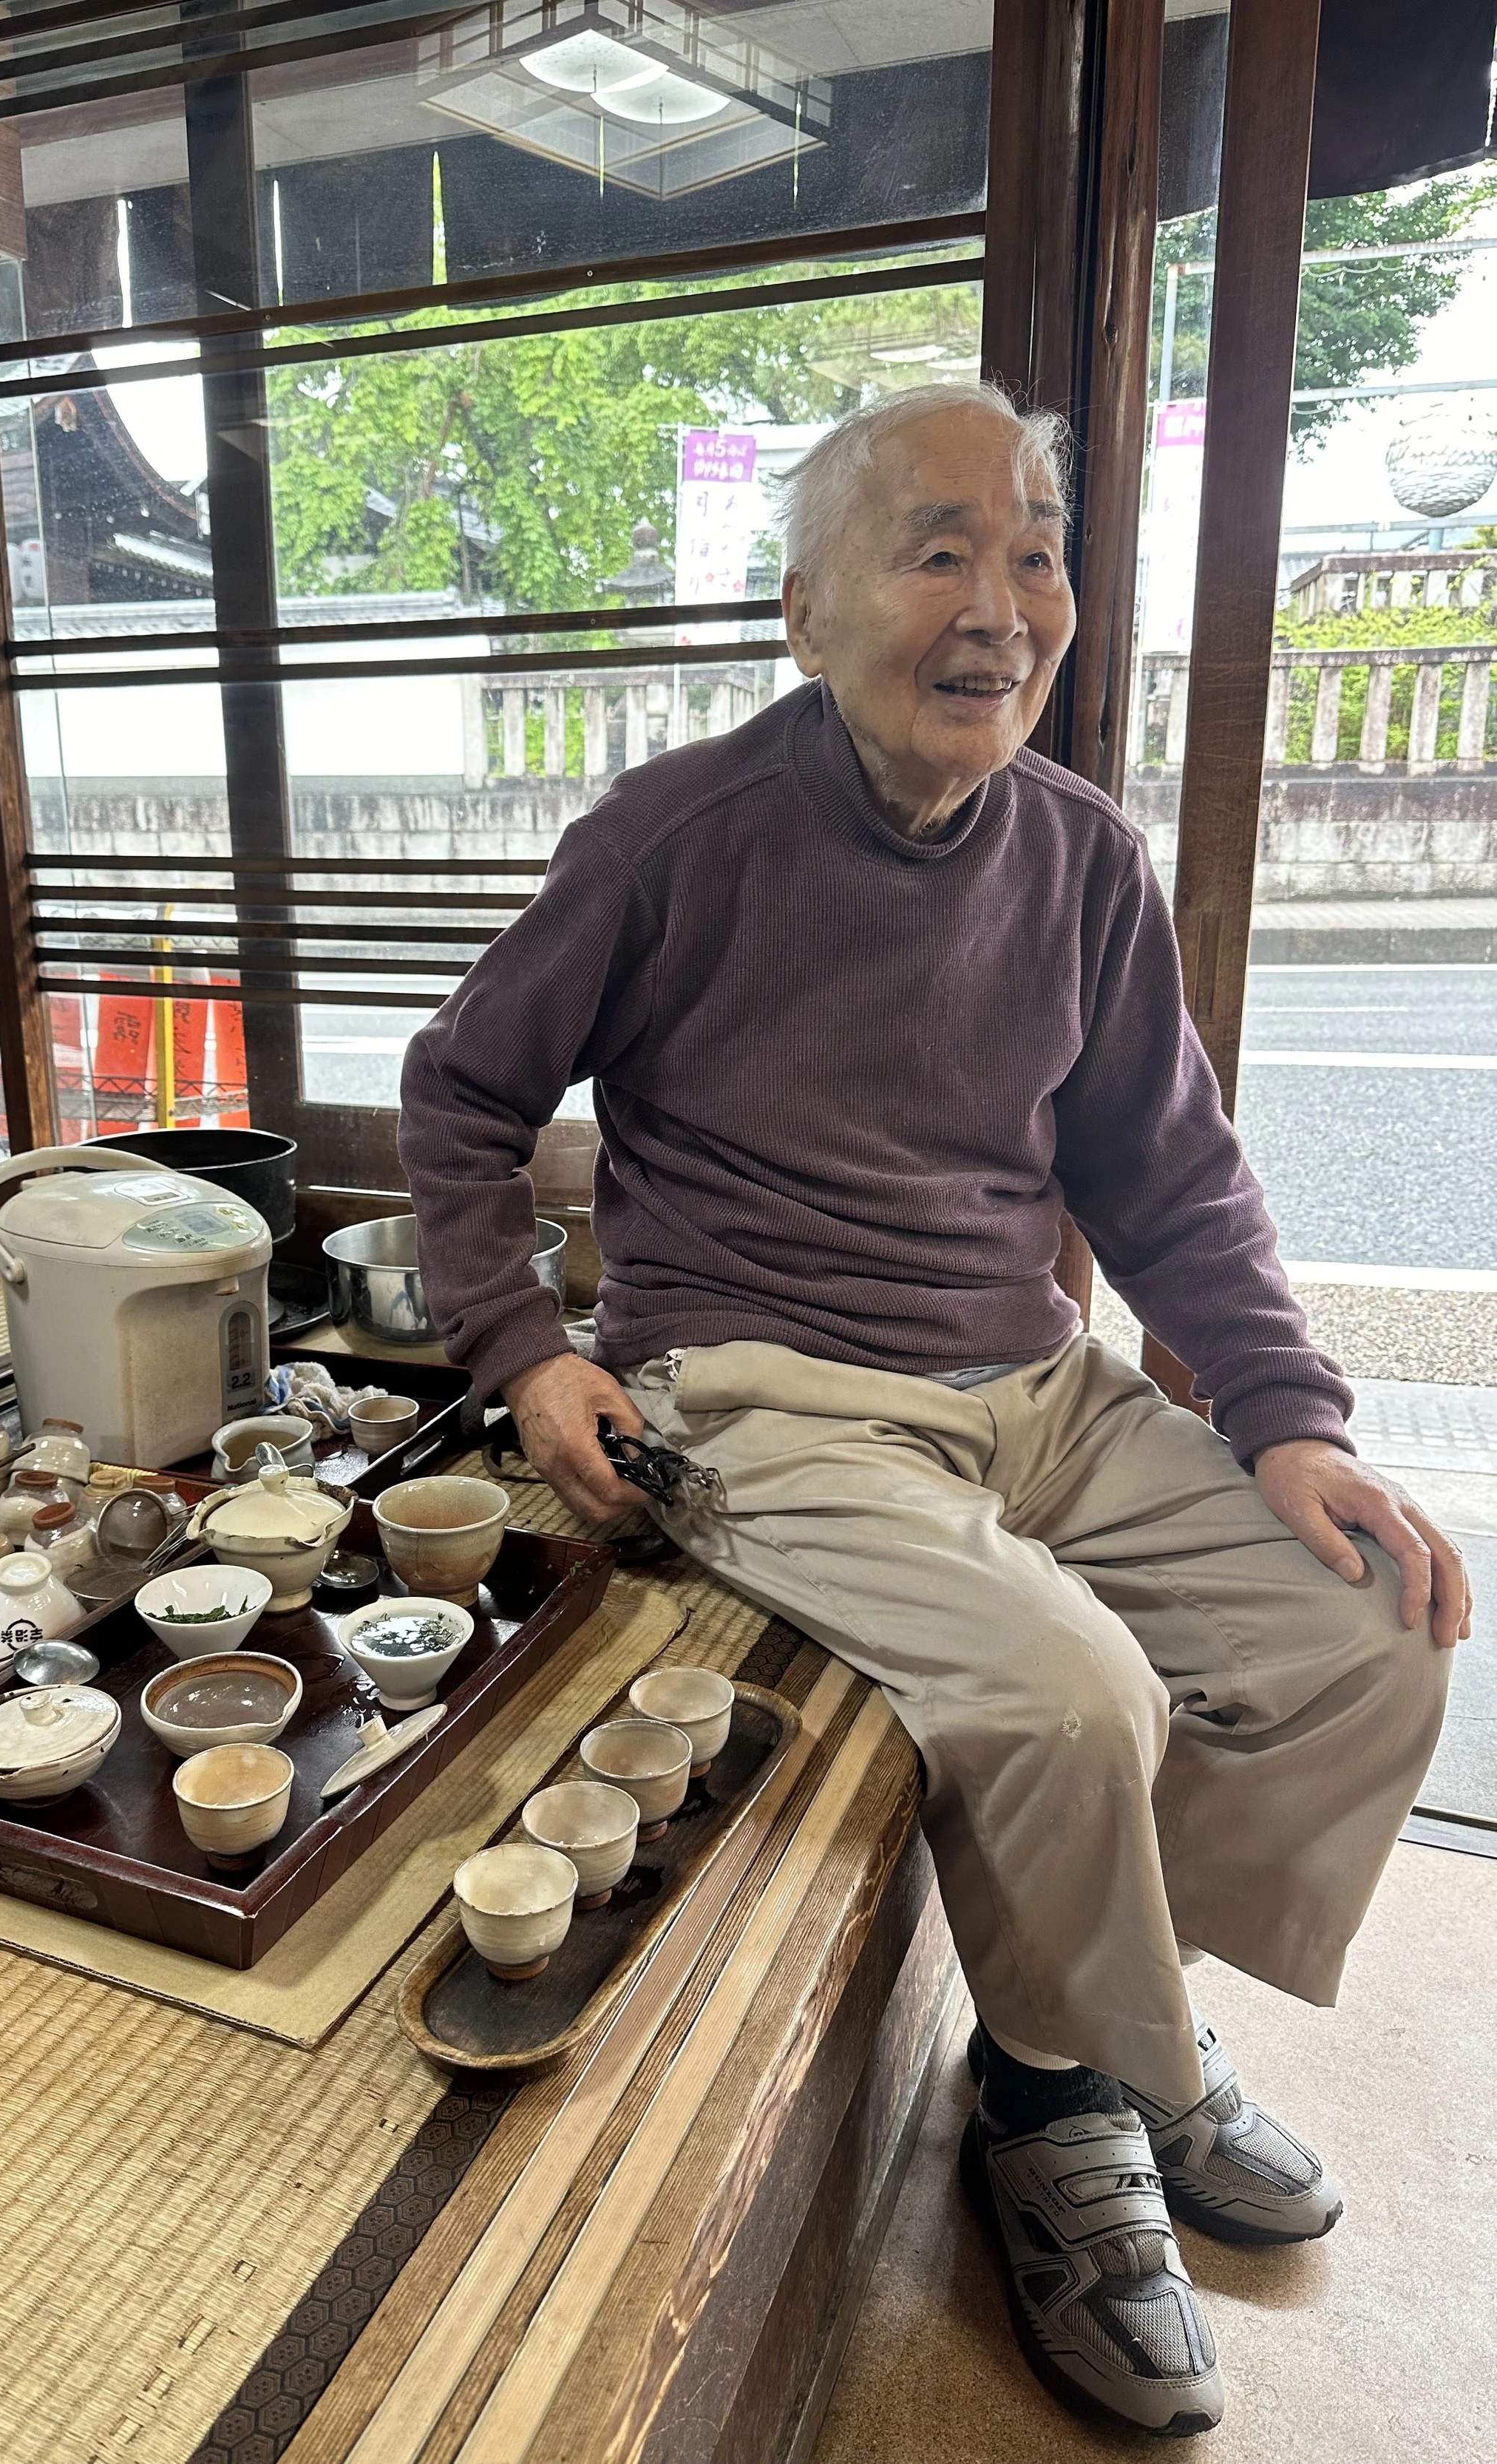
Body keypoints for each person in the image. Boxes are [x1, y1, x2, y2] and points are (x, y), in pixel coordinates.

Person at [398, 385, 1467, 2437]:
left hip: (1031, 1377)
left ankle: (1092, 2024)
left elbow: (1164, 1172)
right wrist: (524, 1346)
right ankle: (1069, 2111)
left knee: (1359, 1629)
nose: (1003, 602)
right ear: (806, 612)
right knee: (1070, 1694)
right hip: (762, 1383)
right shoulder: (676, 835)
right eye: (939, 547)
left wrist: (1288, 1416)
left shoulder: (1078, 860)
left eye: (1037, 548)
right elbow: (461, 1093)